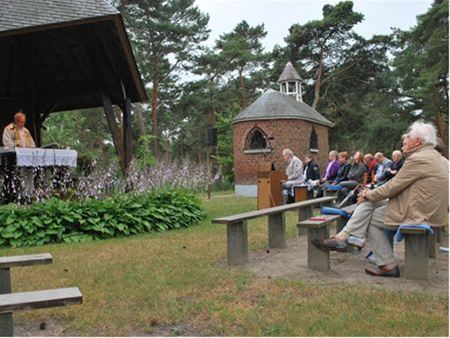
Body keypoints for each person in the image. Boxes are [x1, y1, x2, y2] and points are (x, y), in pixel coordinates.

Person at [312, 121, 449, 277]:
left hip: (419, 212)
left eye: (408, 137)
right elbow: (398, 186)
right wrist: (370, 195)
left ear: (417, 141)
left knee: (372, 215)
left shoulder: (419, 159)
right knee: (370, 205)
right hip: (424, 207)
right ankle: (345, 238)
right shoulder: (432, 156)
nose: (404, 139)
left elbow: (393, 186)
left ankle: (381, 261)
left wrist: (368, 194)